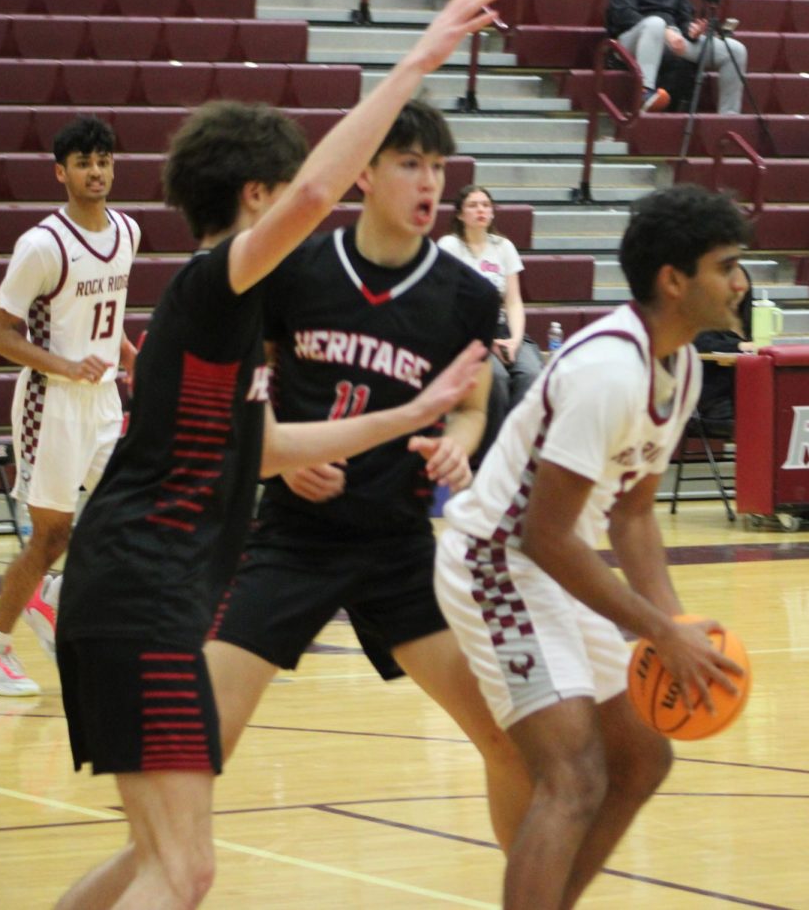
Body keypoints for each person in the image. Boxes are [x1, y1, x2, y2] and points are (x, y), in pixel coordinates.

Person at [50, 0, 500, 909]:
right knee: (185, 870)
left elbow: (263, 447)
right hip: (144, 588)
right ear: (257, 196)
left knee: (159, 861)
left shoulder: (225, 314)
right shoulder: (222, 278)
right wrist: (417, 59)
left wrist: (416, 413)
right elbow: (314, 191)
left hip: (138, 589)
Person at [205, 103, 533, 856]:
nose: (429, 182)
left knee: (511, 741)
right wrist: (285, 456)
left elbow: (473, 403)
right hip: (292, 537)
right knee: (192, 751)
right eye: (409, 163)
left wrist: (458, 443)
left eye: (439, 168)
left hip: (398, 546)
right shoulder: (295, 269)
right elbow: (242, 398)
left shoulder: (467, 296)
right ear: (363, 173)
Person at [434, 184, 746, 910]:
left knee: (642, 756)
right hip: (495, 561)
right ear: (674, 280)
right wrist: (657, 630)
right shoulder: (608, 371)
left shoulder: (684, 364)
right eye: (726, 264)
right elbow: (541, 536)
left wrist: (677, 625)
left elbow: (633, 515)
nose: (740, 281)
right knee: (573, 773)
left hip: (549, 561)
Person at [0, 115, 139, 696]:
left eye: (103, 160)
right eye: (83, 163)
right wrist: (67, 365)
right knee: (49, 535)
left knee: (121, 517)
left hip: (102, 402)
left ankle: (49, 597)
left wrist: (125, 352)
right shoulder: (41, 245)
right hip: (50, 404)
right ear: (61, 172)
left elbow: (111, 307)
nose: (96, 171)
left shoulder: (127, 231)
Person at [438, 184, 543, 456]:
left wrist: (515, 340)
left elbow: (514, 301)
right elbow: (446, 302)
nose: (481, 210)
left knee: (531, 374)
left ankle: (515, 452)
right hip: (467, 331)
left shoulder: (503, 247)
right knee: (494, 378)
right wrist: (486, 341)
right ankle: (488, 456)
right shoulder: (449, 246)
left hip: (504, 328)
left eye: (485, 205)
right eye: (473, 205)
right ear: (460, 214)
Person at [606, 0, 749, 115]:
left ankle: (729, 115)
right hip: (631, 39)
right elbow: (623, 15)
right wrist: (665, 30)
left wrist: (691, 30)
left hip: (673, 37)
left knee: (735, 50)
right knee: (655, 23)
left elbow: (684, 18)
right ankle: (645, 92)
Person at [693, 262, 754, 429]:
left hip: (749, 393)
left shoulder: (753, 319)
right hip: (717, 399)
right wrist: (740, 346)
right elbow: (702, 343)